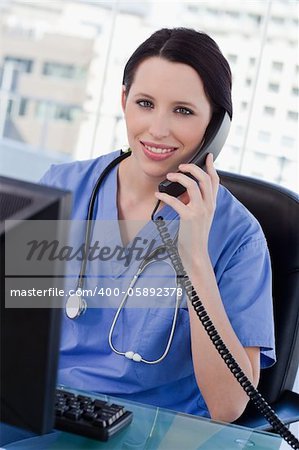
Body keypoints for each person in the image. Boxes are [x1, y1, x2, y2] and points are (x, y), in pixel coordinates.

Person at [40, 27, 275, 422]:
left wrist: (195, 257)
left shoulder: (239, 238)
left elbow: (229, 407)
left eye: (183, 111)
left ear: (215, 127)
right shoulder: (61, 188)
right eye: (145, 103)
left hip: (151, 434)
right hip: (43, 415)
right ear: (123, 101)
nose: (158, 129)